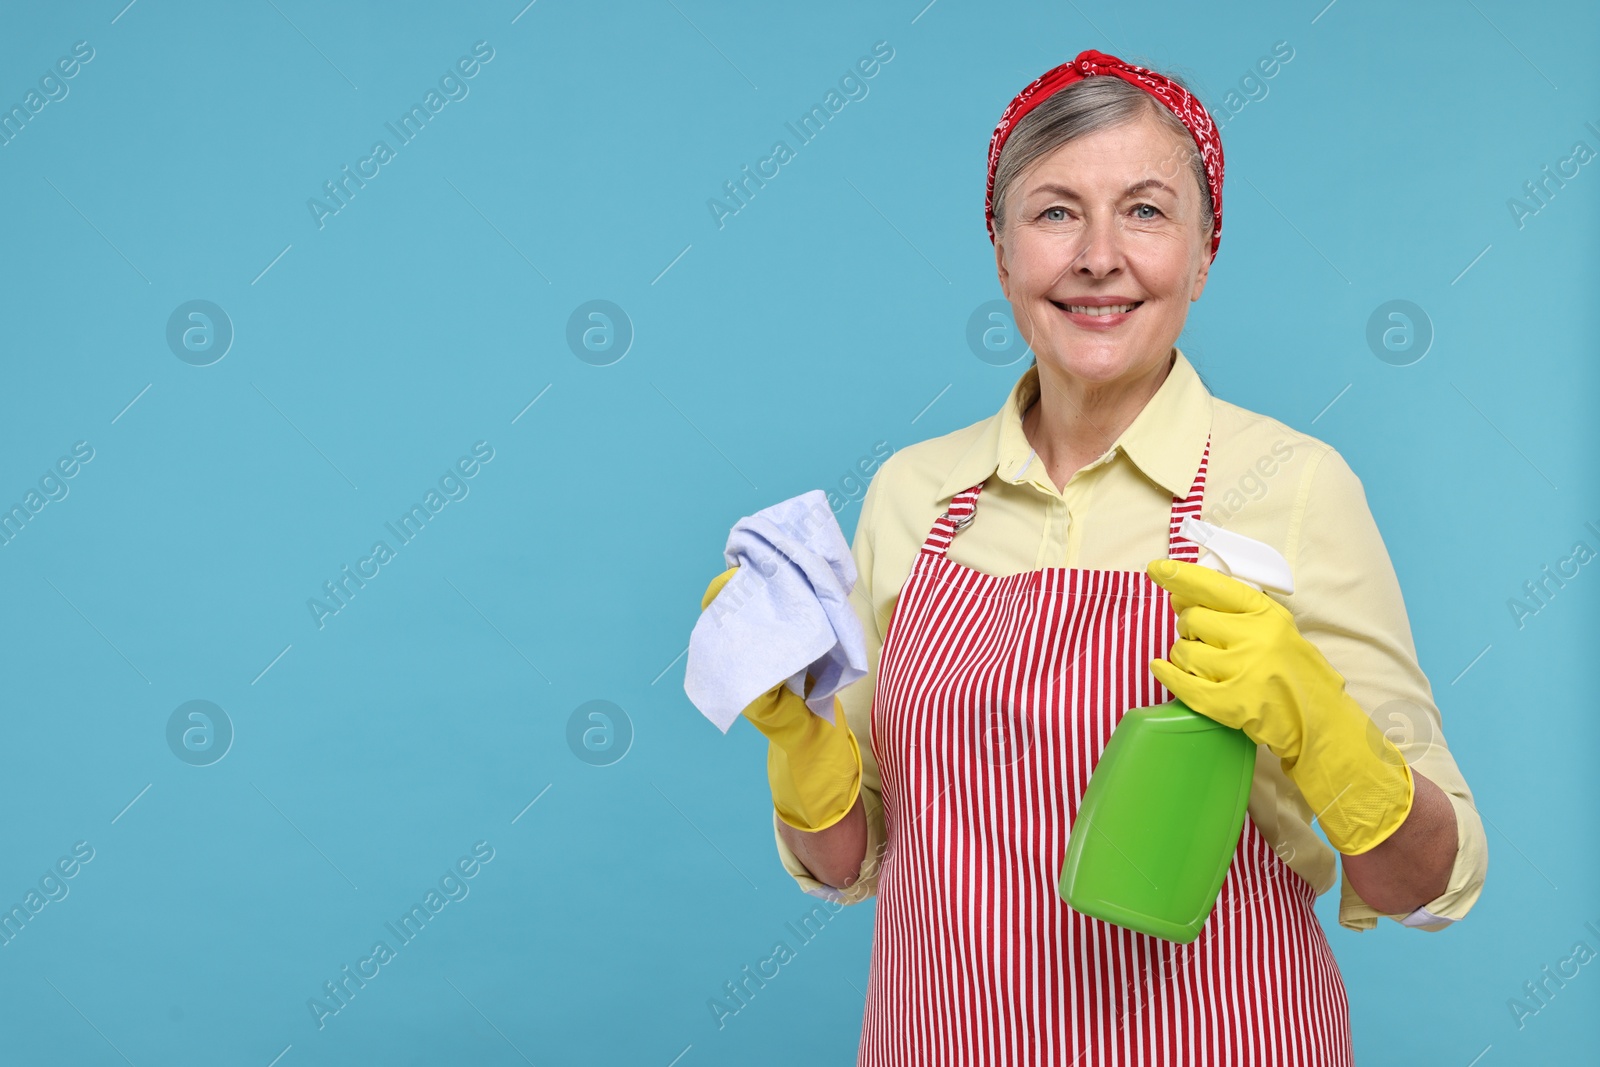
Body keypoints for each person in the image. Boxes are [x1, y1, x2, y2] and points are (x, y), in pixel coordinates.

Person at [698, 49, 1487, 1065]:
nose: (1098, 256)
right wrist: (799, 735)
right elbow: (847, 860)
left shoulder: (1292, 484)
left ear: (1204, 255)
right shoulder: (912, 494)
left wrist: (1323, 728)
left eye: (1147, 212)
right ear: (1000, 249)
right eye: (1055, 211)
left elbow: (1425, 885)